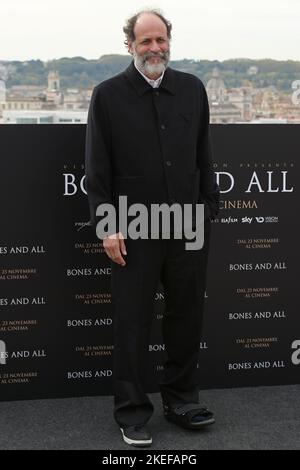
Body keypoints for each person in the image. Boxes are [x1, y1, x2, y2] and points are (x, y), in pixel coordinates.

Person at [85, 9, 219, 447]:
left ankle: (182, 401)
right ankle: (131, 412)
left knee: (185, 319)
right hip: (132, 229)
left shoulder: (193, 90)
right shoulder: (107, 96)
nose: (154, 48)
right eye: (145, 41)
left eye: (160, 40)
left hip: (186, 227)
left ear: (169, 42)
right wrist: (107, 226)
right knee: (132, 323)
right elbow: (97, 169)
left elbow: (205, 157)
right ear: (130, 45)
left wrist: (206, 212)